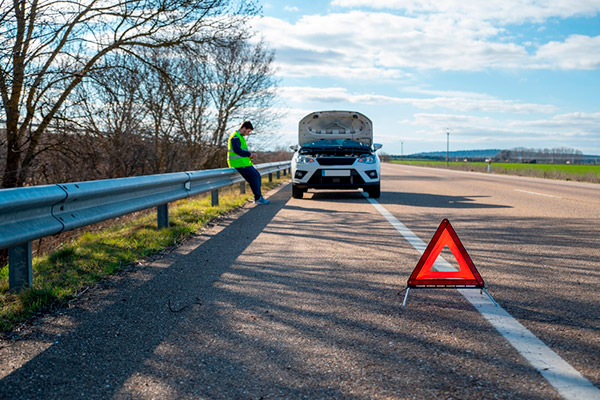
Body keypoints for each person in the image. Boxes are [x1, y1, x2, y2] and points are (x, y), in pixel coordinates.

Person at [227, 121, 270, 205]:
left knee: (256, 176)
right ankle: (258, 198)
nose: (248, 133)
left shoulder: (240, 137)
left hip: (244, 163)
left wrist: (249, 155)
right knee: (254, 177)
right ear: (244, 128)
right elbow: (237, 150)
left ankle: (259, 197)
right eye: (248, 131)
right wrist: (249, 154)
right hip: (238, 163)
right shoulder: (235, 137)